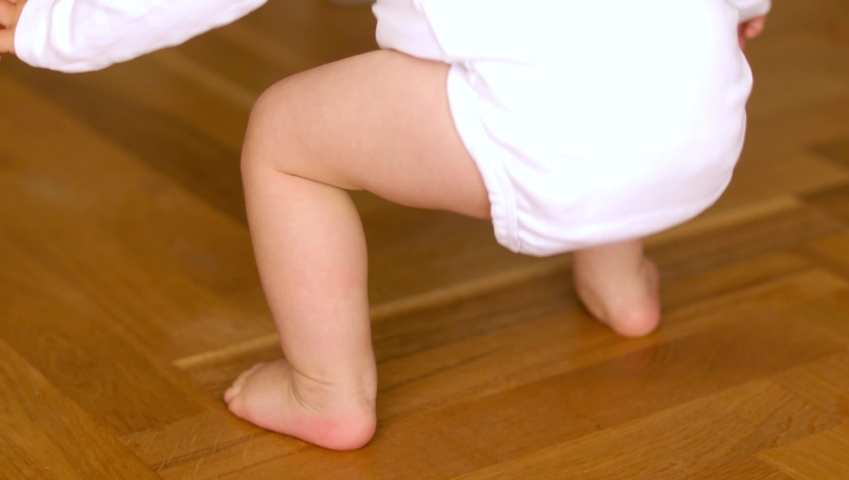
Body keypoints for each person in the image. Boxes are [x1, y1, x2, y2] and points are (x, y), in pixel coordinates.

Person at [1, 0, 769, 451]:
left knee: (284, 136)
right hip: (705, 131)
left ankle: (325, 390)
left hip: (555, 141)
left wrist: (59, 25)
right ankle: (621, 284)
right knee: (609, 64)